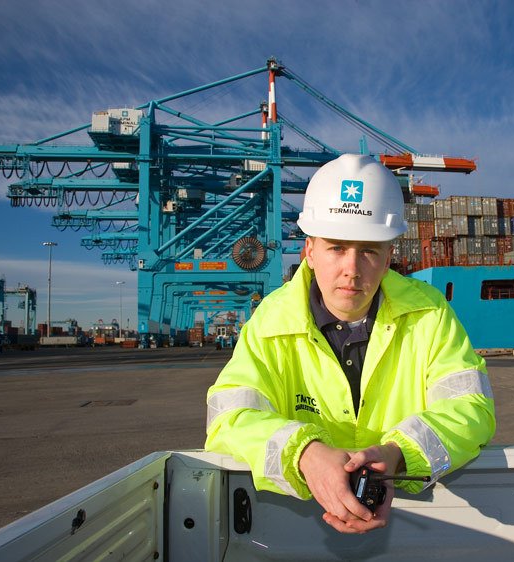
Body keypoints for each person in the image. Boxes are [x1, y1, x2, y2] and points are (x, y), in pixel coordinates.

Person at [205, 153, 495, 534]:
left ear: (389, 257)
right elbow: (227, 419)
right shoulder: (270, 323)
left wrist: (398, 453)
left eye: (369, 250)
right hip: (294, 533)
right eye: (337, 247)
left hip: (414, 531)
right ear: (310, 251)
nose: (352, 270)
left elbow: (472, 408)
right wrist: (305, 453)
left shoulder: (430, 314)